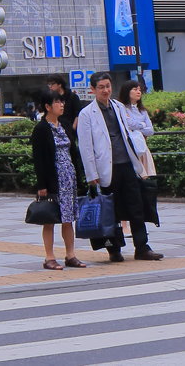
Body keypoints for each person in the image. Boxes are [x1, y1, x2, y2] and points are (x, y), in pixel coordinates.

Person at [74, 73, 157, 263]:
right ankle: (114, 249)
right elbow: (86, 147)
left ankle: (142, 247)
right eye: (101, 87)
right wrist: (91, 175)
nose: (106, 90)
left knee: (136, 205)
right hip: (105, 168)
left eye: (108, 86)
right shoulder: (87, 114)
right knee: (110, 210)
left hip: (126, 163)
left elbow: (131, 130)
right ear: (93, 90)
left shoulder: (118, 107)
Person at [29, 90, 86, 270]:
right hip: (54, 179)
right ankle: (49, 257)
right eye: (57, 102)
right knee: (50, 217)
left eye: (62, 102)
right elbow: (39, 159)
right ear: (47, 107)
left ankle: (70, 255)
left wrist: (79, 175)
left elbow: (73, 152)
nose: (62, 105)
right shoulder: (41, 129)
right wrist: (42, 186)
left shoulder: (65, 125)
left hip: (69, 177)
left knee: (69, 218)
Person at [118, 77, 163, 243]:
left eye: (139, 89)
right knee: (127, 187)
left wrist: (137, 125)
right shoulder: (121, 108)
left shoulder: (142, 110)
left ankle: (138, 222)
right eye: (135, 89)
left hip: (142, 149)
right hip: (129, 151)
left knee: (141, 186)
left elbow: (150, 130)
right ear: (127, 91)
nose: (138, 92)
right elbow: (126, 124)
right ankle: (124, 224)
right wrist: (140, 125)